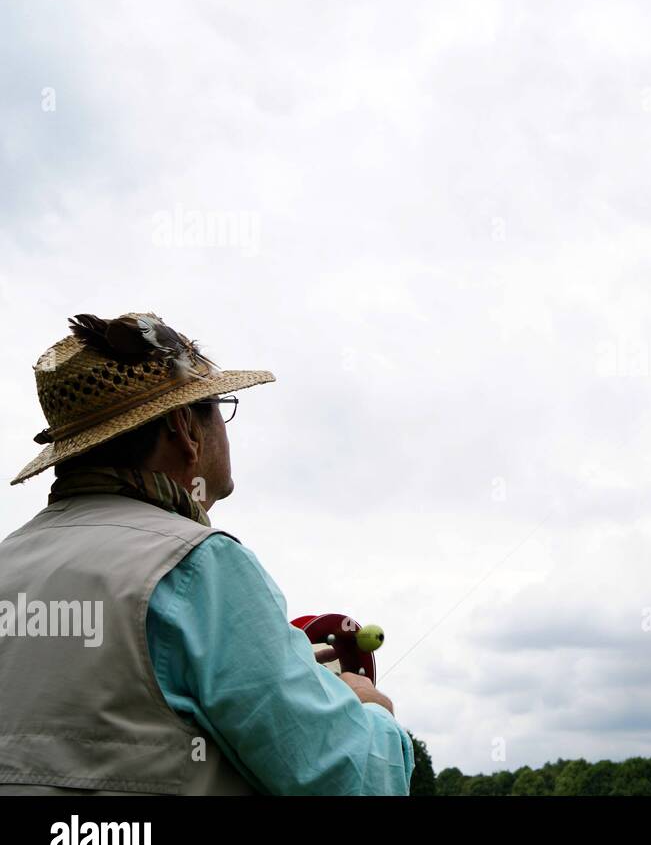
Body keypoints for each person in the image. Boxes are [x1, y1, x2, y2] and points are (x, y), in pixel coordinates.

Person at [0, 313, 414, 794]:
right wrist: (366, 709)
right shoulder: (199, 566)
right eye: (218, 404)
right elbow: (350, 781)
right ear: (183, 429)